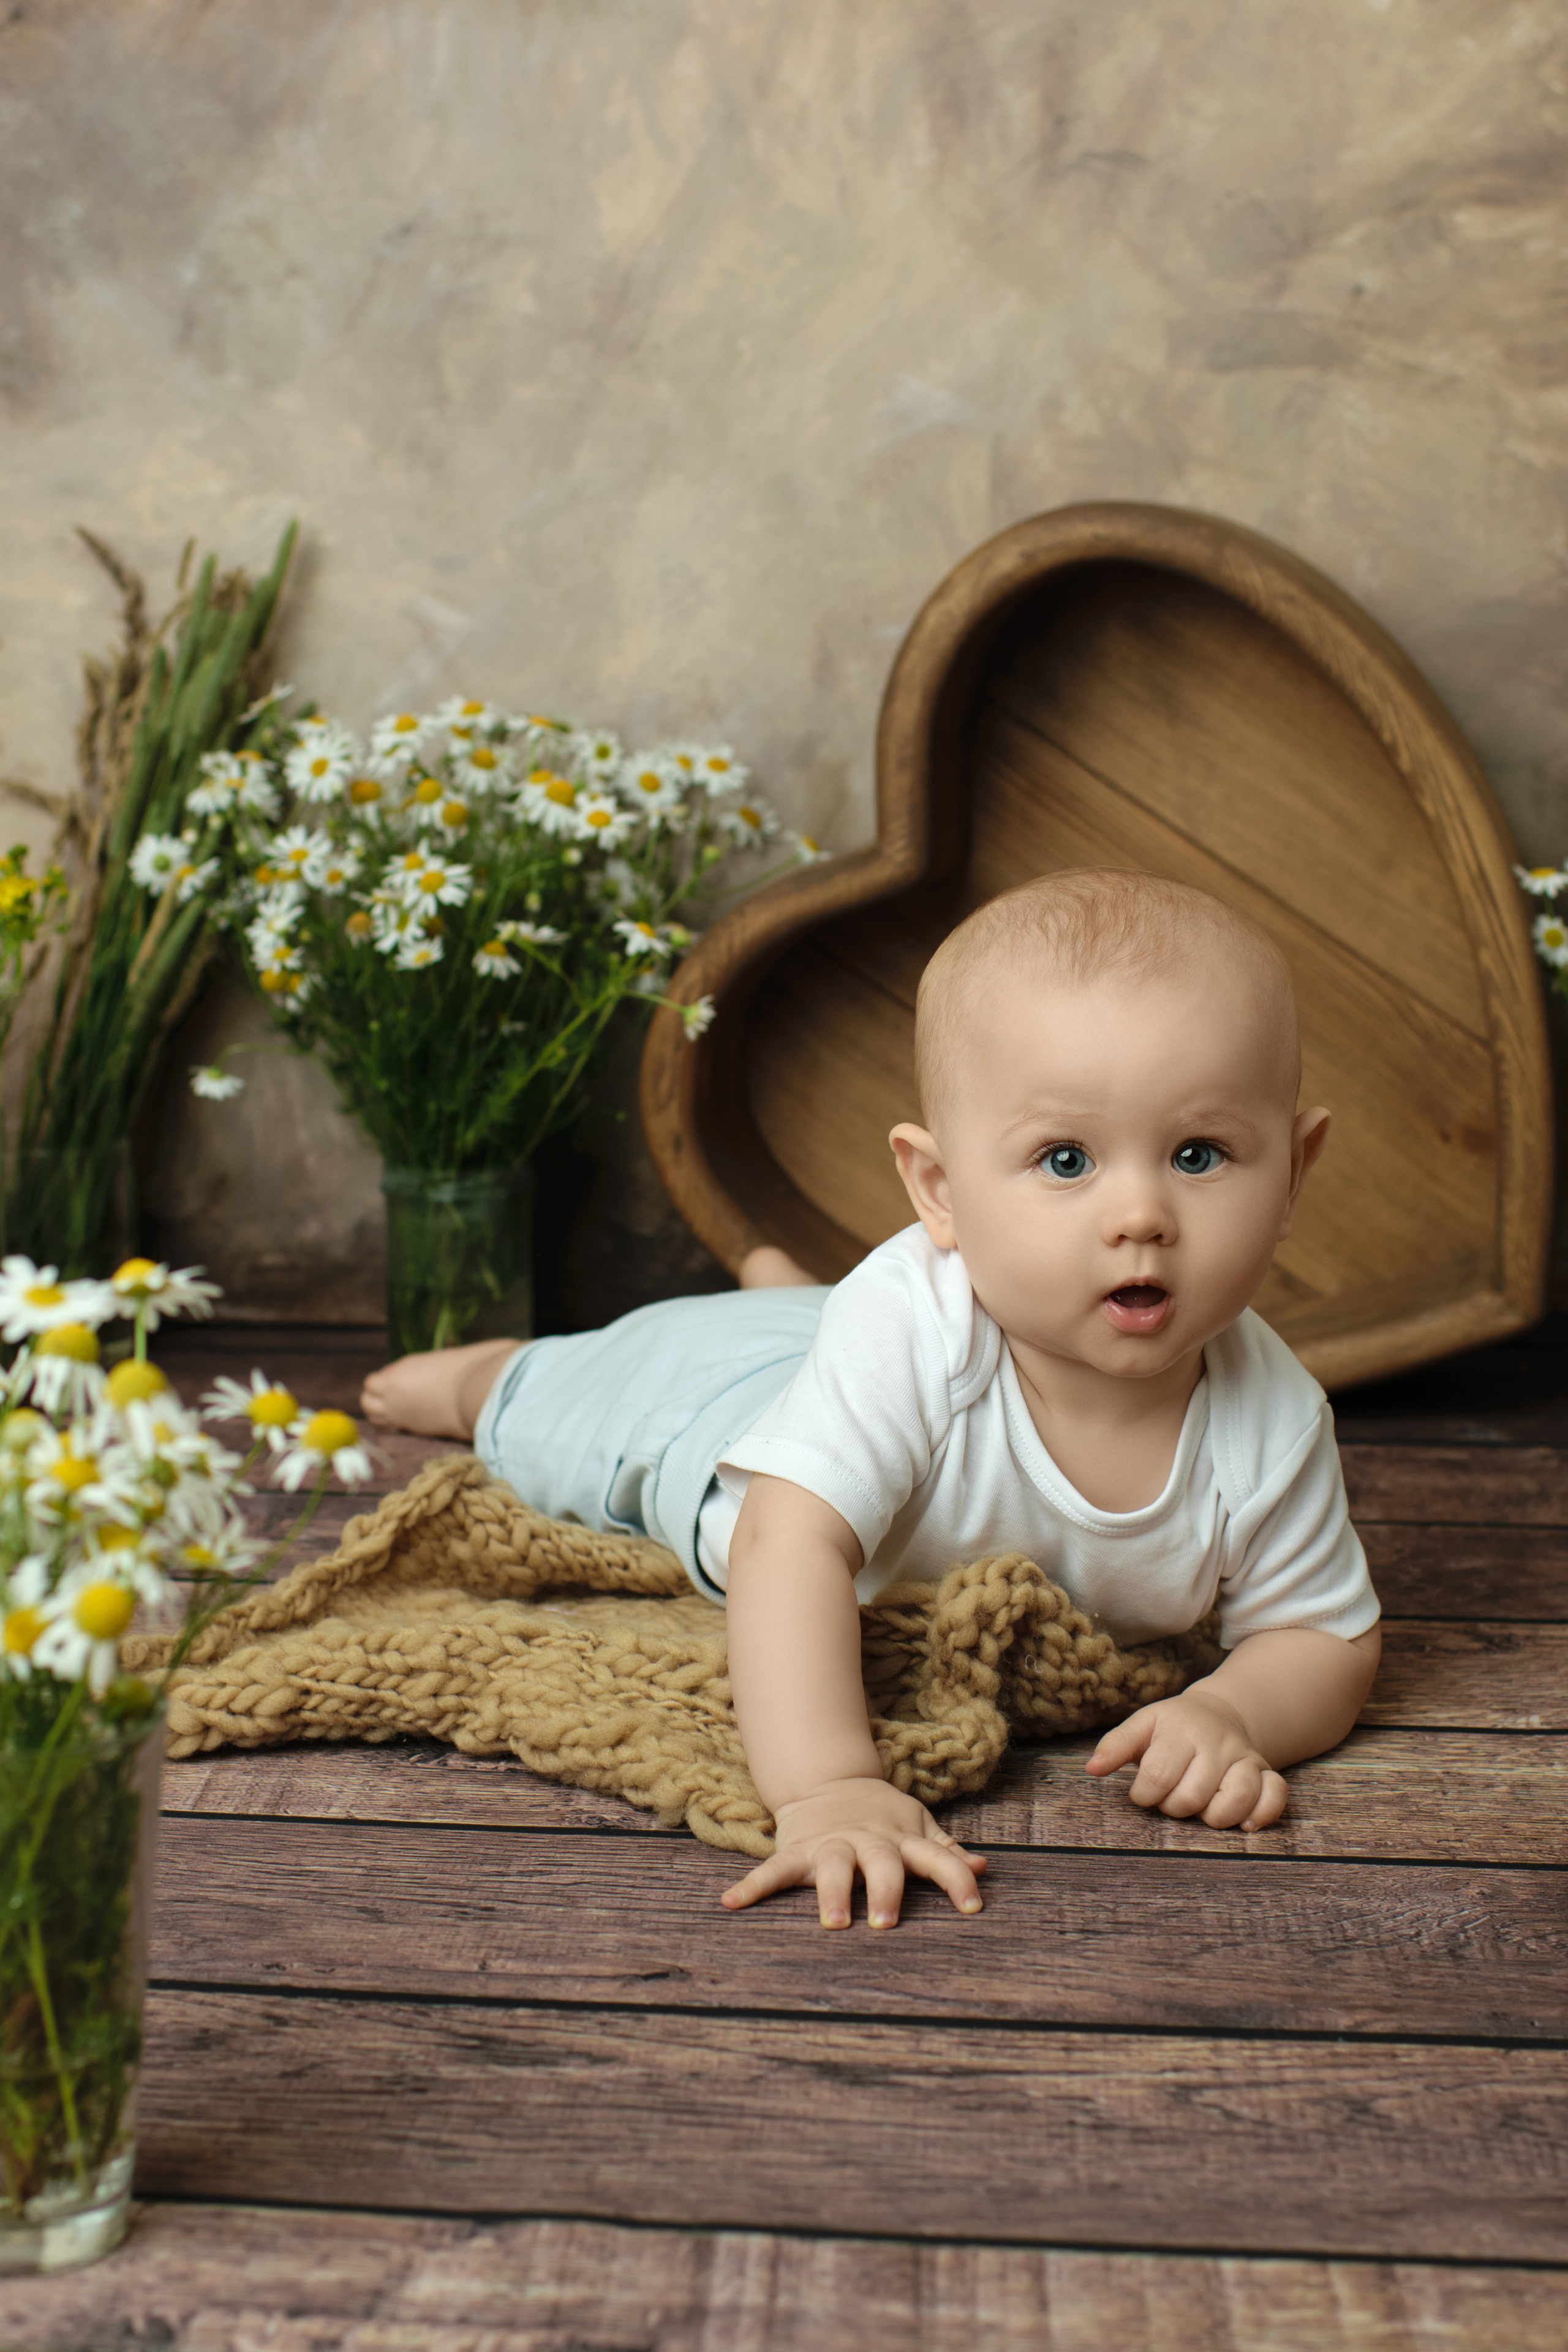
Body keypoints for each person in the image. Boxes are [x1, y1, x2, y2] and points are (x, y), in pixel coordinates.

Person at [363, 869, 1382, 1929]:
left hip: (856, 1360)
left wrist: (1231, 1710)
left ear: (1297, 1172)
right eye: (1066, 1159)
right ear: (940, 1192)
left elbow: (1327, 1641)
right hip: (714, 1420)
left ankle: (788, 1291)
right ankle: (498, 1371)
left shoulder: (1273, 1417)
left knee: (823, 1330)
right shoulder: (911, 1326)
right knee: (603, 1397)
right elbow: (788, 1545)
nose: (1140, 1214)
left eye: (1199, 1154)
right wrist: (830, 1785)